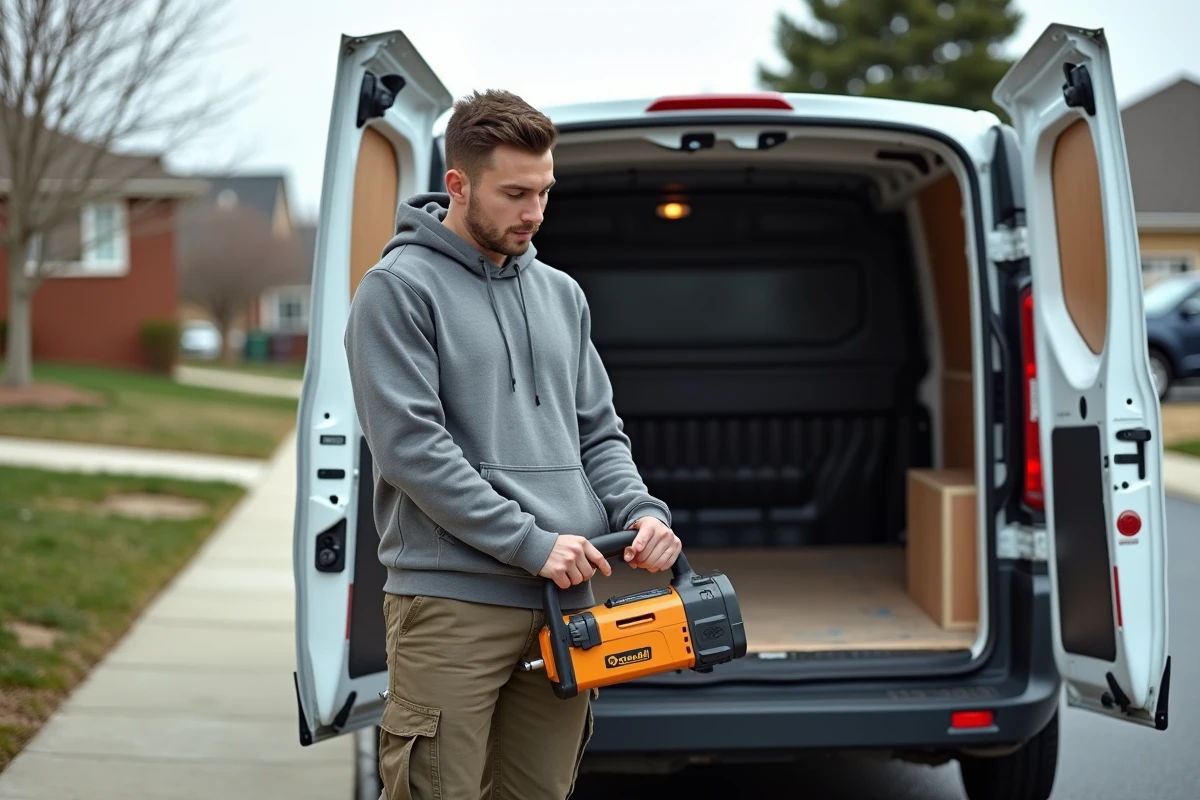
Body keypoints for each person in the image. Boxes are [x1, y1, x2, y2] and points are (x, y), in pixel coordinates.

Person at [343, 88, 679, 800]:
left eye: (545, 193)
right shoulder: (397, 291)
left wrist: (642, 513)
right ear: (458, 184)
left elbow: (597, 432)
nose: (534, 213)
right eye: (516, 193)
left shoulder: (562, 293)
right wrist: (530, 542)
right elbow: (413, 451)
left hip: (568, 604)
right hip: (453, 605)